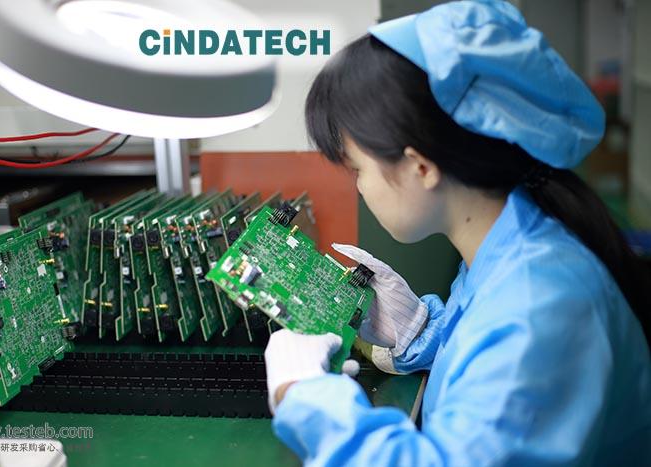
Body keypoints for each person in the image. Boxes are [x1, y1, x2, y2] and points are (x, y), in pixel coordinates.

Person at [262, 1, 651, 466]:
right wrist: (418, 332)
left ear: (420, 167)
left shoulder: (540, 305)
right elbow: (489, 362)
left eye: (356, 169)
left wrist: (304, 396)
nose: (359, 189)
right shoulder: (509, 246)